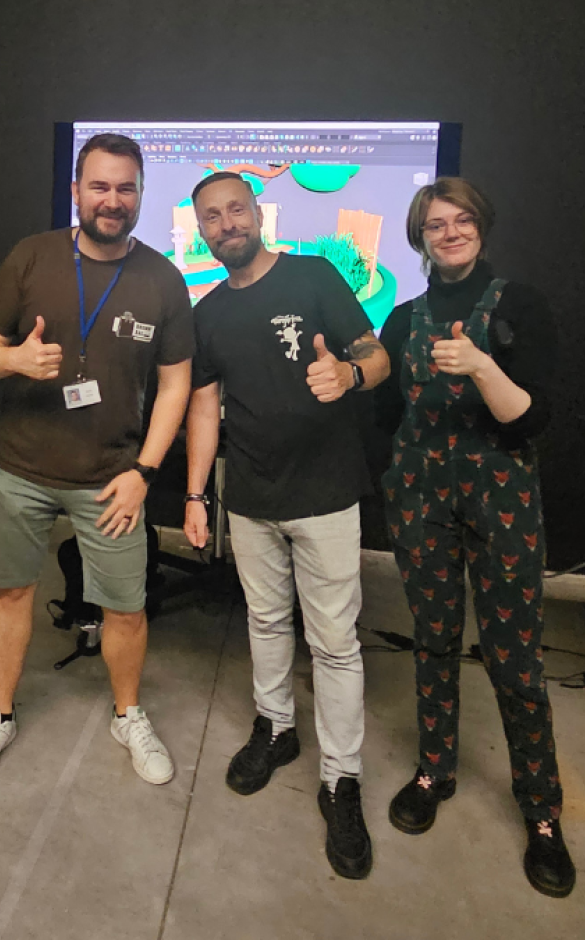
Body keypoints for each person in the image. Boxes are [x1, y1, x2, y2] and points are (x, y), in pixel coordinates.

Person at [0, 134, 193, 791]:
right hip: (19, 467)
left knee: (126, 608)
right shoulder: (31, 256)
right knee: (12, 593)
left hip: (111, 478)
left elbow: (176, 384)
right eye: (100, 186)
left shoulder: (164, 280)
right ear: (76, 191)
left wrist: (144, 472)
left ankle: (128, 714)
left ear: (142, 194)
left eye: (126, 188)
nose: (112, 200)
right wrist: (13, 361)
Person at [182, 172, 390, 879]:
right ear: (201, 230)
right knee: (266, 624)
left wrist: (350, 378)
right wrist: (195, 496)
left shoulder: (313, 276)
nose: (226, 224)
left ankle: (343, 777)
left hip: (327, 495)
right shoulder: (205, 313)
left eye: (236, 209)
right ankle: (276, 730)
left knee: (334, 643)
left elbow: (377, 354)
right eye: (211, 217)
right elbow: (204, 410)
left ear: (257, 213)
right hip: (250, 498)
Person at [375, 177, 575, 897]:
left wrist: (483, 364)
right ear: (419, 236)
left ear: (482, 227)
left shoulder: (519, 307)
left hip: (501, 501)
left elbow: (530, 419)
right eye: (436, 224)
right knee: (432, 640)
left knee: (514, 658)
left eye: (462, 221)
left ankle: (542, 813)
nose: (450, 233)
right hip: (421, 499)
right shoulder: (404, 319)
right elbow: (381, 413)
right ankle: (435, 771)